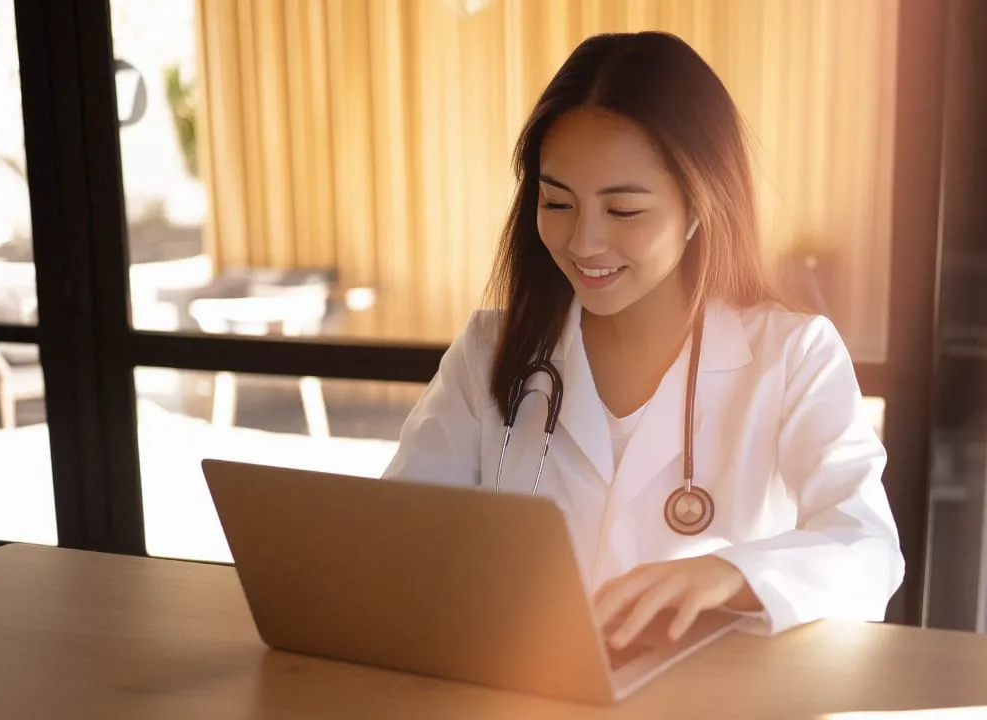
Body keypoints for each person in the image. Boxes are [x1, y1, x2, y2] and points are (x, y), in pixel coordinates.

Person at [382, 32, 904, 652]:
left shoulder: (794, 356)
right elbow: (399, 535)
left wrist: (729, 573)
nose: (583, 242)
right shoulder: (492, 350)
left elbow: (868, 549)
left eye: (624, 211)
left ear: (700, 206)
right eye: (557, 203)